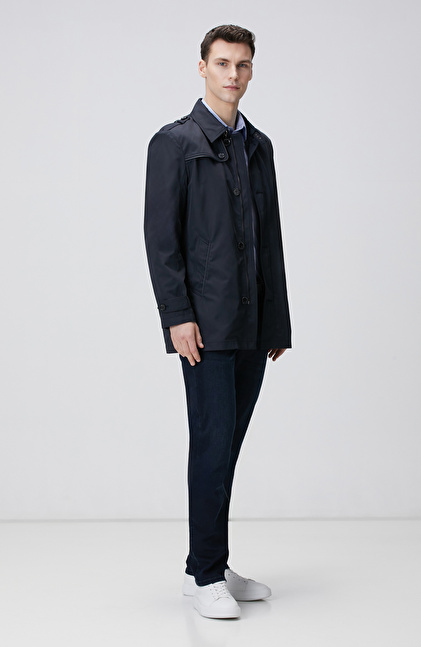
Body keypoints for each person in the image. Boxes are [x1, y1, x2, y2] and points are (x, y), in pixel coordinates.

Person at [144, 24, 292, 619]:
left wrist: (278, 321)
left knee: (226, 448)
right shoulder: (174, 143)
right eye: (224, 63)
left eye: (243, 65)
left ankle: (207, 563)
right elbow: (161, 240)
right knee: (210, 444)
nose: (234, 75)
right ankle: (206, 576)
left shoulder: (259, 146)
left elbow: (269, 239)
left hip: (254, 324)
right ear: (202, 67)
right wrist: (177, 316)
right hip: (205, 327)